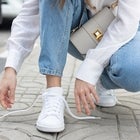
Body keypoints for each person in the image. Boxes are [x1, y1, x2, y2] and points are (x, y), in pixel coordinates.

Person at [0, 0, 140, 133]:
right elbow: (29, 17)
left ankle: (103, 79)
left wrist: (89, 71)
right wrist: (10, 68)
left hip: (123, 28)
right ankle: (53, 94)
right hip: (78, 29)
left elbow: (126, 24)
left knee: (134, 70)